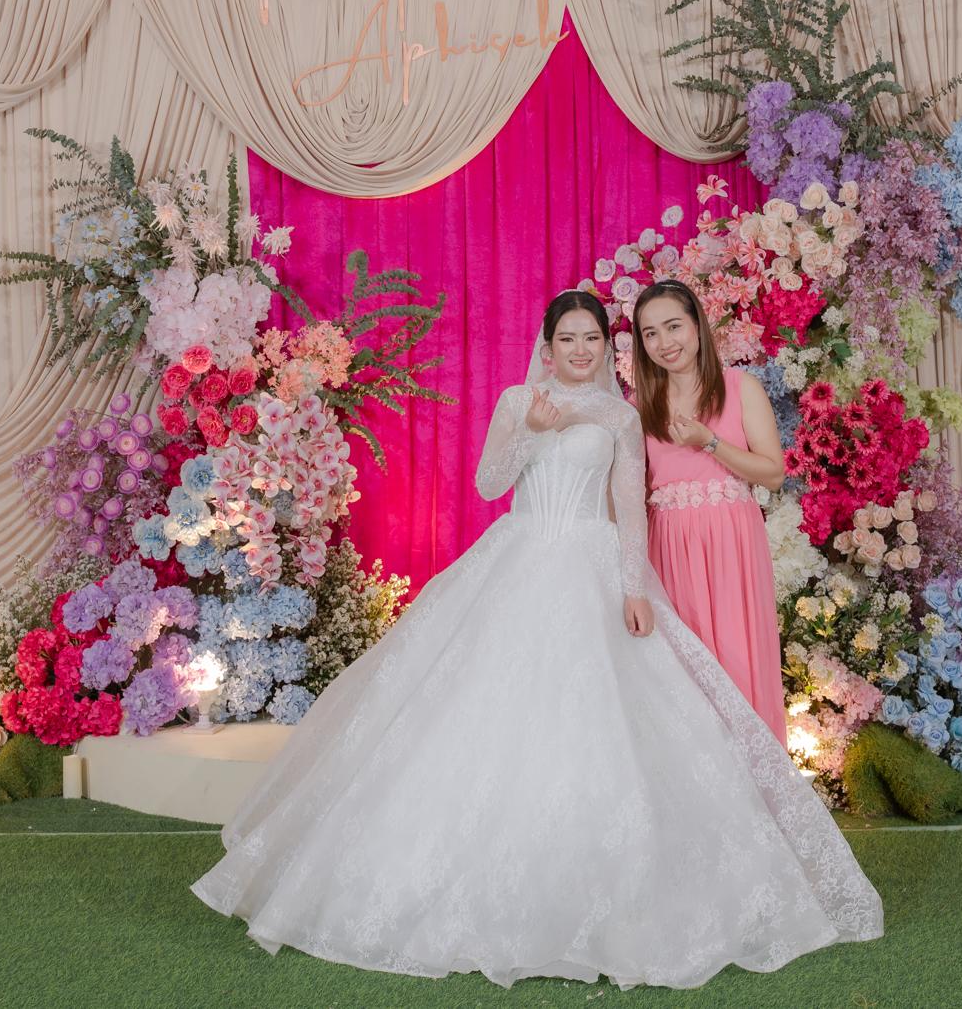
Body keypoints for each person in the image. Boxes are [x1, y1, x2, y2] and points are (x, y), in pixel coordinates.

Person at [191, 290, 881, 989]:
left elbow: (629, 505)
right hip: (517, 558)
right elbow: (490, 483)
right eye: (567, 339)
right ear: (547, 348)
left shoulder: (622, 414)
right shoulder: (518, 399)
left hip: (591, 563)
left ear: (606, 348)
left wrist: (634, 586)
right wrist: (529, 431)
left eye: (592, 339)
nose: (580, 350)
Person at [632, 279, 790, 740]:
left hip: (730, 545)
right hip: (669, 549)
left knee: (737, 659)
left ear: (697, 326)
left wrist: (710, 442)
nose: (664, 342)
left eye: (673, 326)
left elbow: (773, 473)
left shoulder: (740, 388)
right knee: (682, 670)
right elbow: (633, 492)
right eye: (650, 333)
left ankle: (751, 777)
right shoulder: (640, 406)